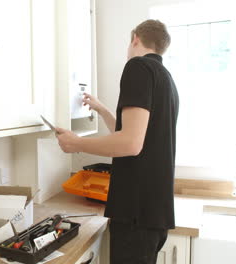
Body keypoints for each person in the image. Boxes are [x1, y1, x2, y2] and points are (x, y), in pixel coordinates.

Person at [55, 19, 179, 264]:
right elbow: (133, 134)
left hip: (136, 214)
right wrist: (102, 109)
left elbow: (131, 144)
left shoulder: (138, 67)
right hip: (152, 214)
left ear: (135, 38)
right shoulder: (165, 78)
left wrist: (77, 143)